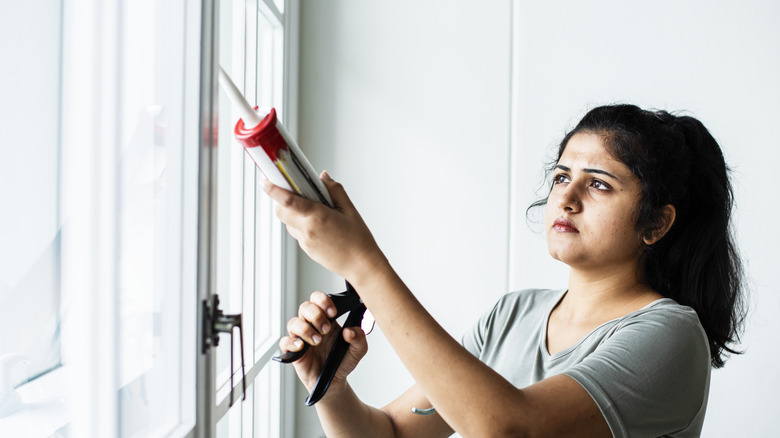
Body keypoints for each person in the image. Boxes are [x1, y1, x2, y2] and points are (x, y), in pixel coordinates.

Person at [263, 104, 746, 437]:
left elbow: (514, 430)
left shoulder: (671, 335)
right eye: (561, 176)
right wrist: (328, 385)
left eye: (599, 184)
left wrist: (362, 264)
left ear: (657, 223)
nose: (567, 197)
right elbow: (389, 436)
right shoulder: (514, 314)